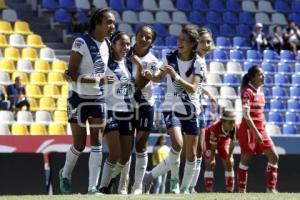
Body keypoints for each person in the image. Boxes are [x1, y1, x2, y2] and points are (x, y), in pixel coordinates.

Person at [59, 8, 116, 195]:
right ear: (97, 23)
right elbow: (71, 74)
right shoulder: (81, 42)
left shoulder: (108, 43)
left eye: (113, 22)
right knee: (79, 144)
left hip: (98, 98)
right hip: (77, 98)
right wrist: (97, 80)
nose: (112, 26)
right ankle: (65, 174)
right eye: (108, 22)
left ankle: (93, 188)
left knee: (98, 142)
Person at [143, 27, 202, 194]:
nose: (179, 42)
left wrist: (175, 76)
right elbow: (158, 78)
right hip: (171, 107)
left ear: (192, 44)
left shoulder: (198, 62)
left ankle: (182, 189)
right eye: (179, 38)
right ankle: (174, 179)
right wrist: (150, 76)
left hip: (191, 108)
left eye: (184, 40)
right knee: (177, 143)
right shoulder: (169, 57)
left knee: (191, 154)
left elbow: (193, 89)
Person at [97, 30, 145, 194]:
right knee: (115, 152)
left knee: (124, 157)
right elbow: (92, 77)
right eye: (121, 43)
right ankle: (102, 188)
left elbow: (137, 86)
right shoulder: (105, 62)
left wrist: (139, 66)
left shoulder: (129, 63)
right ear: (114, 44)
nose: (125, 46)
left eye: (127, 44)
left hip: (127, 112)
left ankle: (108, 181)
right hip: (109, 111)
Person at [116, 25, 160, 195]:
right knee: (125, 148)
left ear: (152, 42)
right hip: (124, 105)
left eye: (148, 37)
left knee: (141, 146)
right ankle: (122, 185)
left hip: (144, 106)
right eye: (141, 35)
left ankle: (138, 186)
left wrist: (139, 65)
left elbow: (140, 85)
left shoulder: (153, 61)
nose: (143, 39)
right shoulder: (123, 52)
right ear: (136, 35)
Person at [237, 65, 279, 193]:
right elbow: (246, 115)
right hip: (249, 130)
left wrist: (262, 130)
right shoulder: (247, 92)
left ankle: (271, 189)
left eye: (263, 74)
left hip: (261, 129)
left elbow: (259, 113)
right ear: (253, 77)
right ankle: (241, 191)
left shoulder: (260, 91)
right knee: (246, 159)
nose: (263, 76)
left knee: (274, 157)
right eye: (260, 74)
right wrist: (256, 133)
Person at [188, 27, 217, 193]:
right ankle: (154, 176)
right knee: (186, 151)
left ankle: (191, 187)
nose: (206, 45)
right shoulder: (192, 60)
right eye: (203, 41)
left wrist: (209, 95)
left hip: (200, 110)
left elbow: (199, 86)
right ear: (195, 42)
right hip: (189, 109)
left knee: (200, 150)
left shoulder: (202, 60)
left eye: (209, 42)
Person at [203, 110, 237, 192]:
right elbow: (213, 146)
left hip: (223, 142)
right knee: (210, 163)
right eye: (230, 122)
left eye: (234, 122)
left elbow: (233, 142)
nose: (233, 125)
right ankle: (209, 191)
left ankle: (230, 191)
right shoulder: (215, 128)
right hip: (209, 141)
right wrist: (211, 159)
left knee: (229, 163)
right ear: (223, 122)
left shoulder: (233, 127)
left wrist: (229, 156)